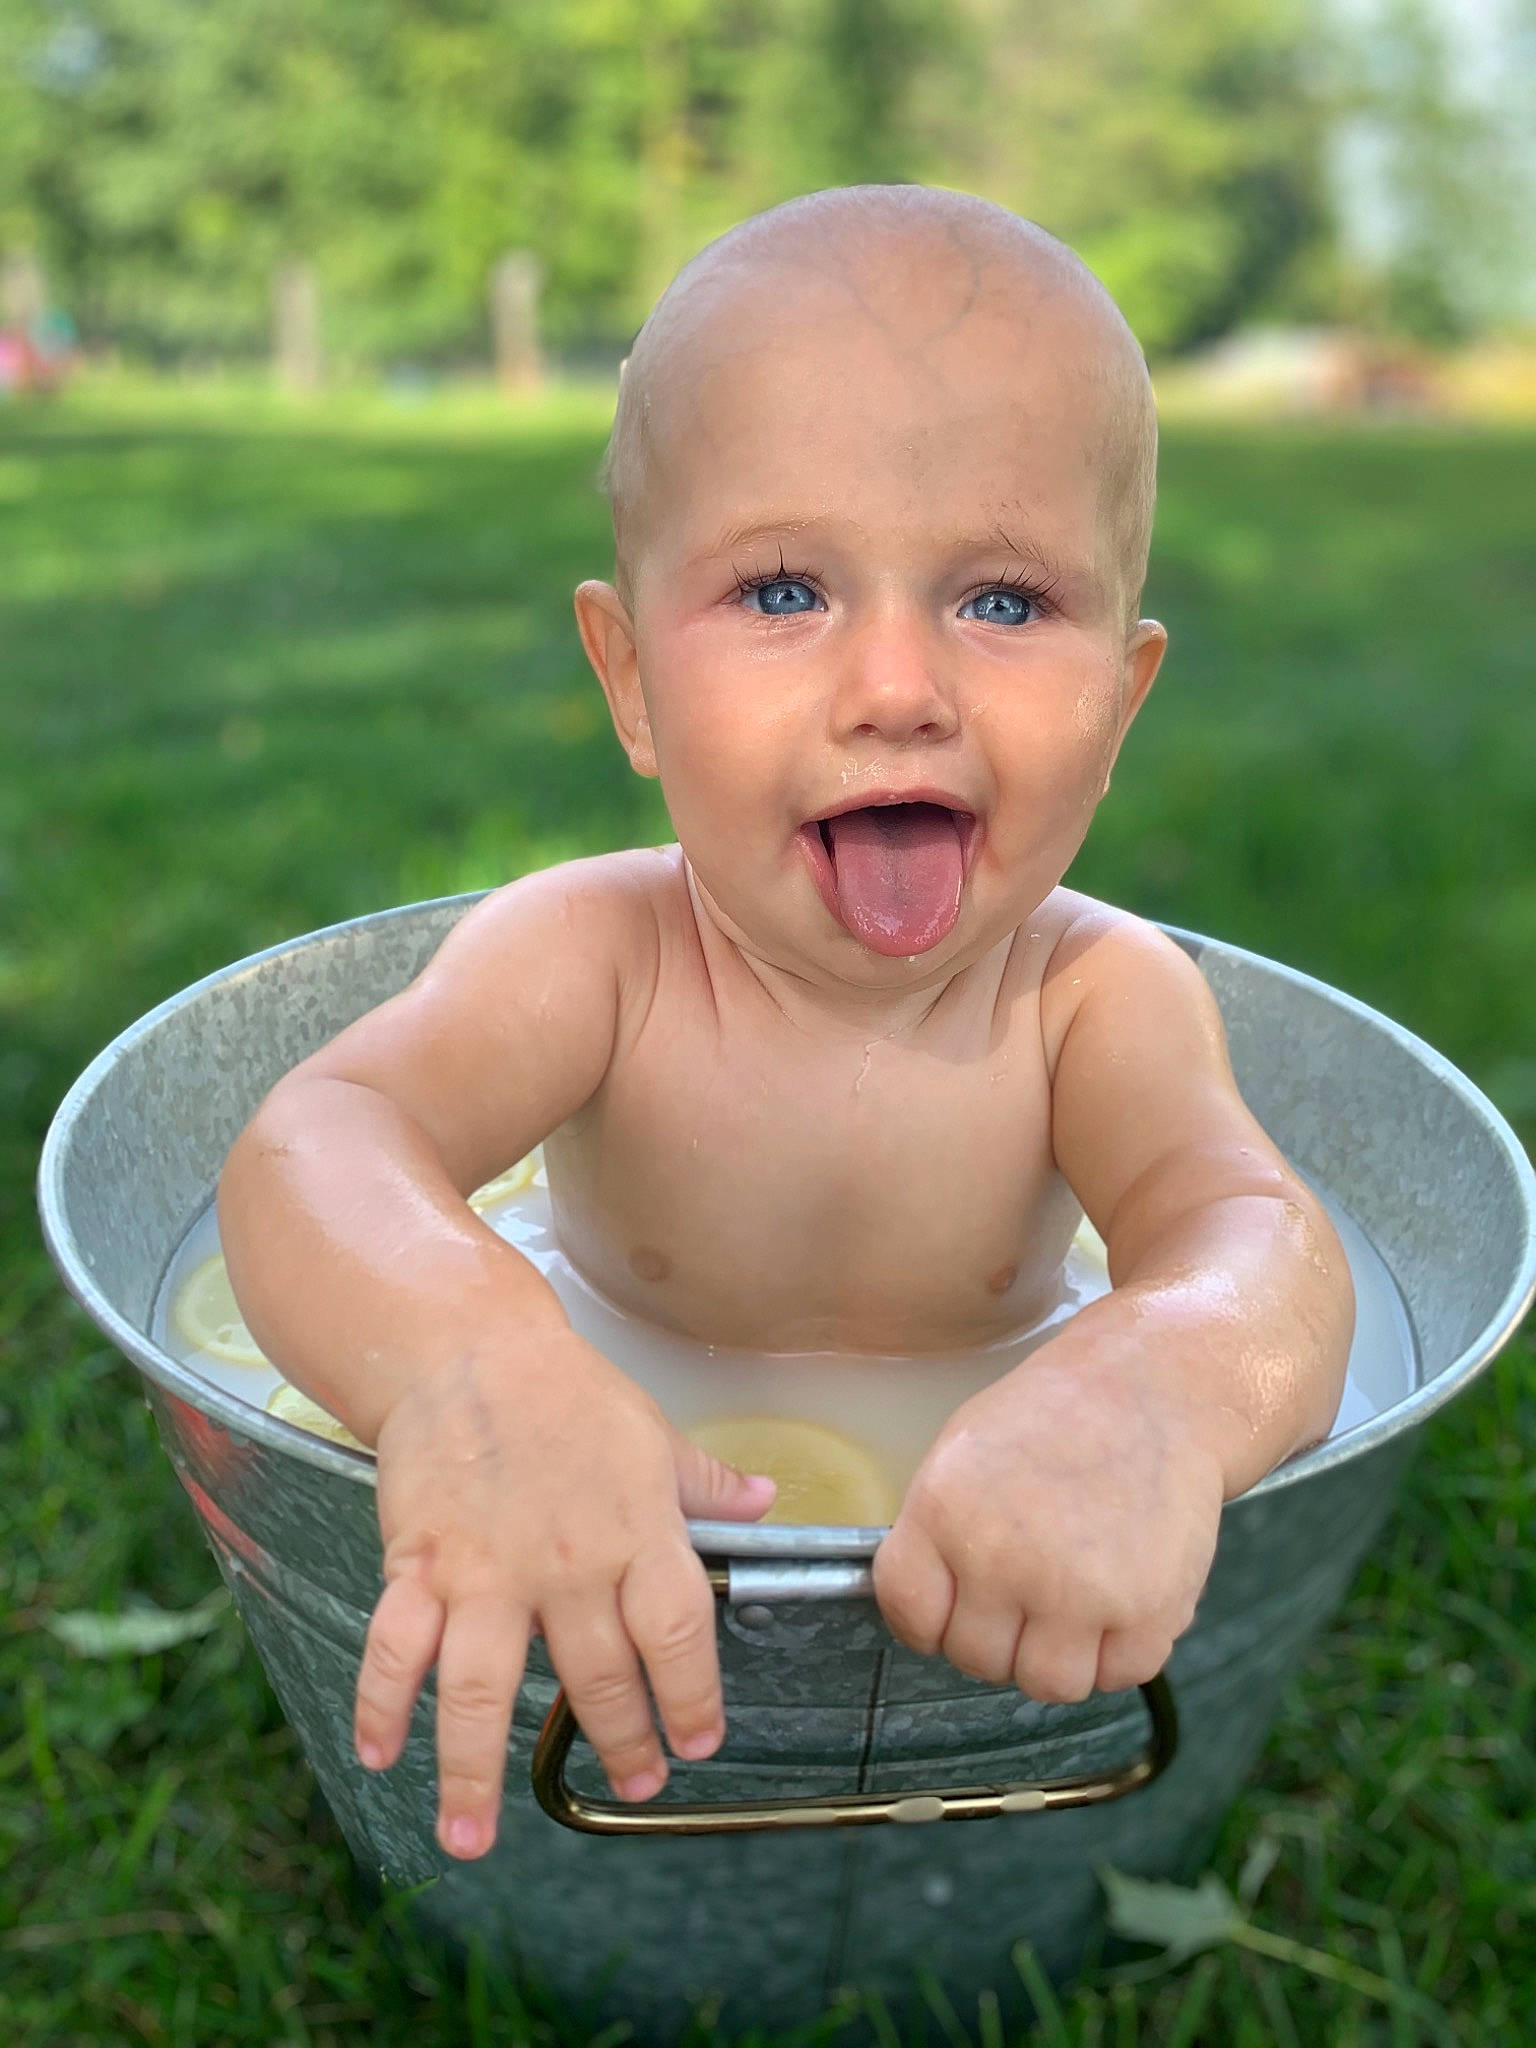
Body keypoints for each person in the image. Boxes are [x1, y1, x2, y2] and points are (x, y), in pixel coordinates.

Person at [218, 185, 1354, 1863]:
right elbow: (314, 1143)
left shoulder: (1094, 1000)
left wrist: (1159, 1386)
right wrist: (470, 1364)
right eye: (780, 592)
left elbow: (1266, 1244)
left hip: (983, 1532)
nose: (897, 688)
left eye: (1005, 602)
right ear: (628, 679)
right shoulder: (598, 957)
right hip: (592, 1444)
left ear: (1121, 704)